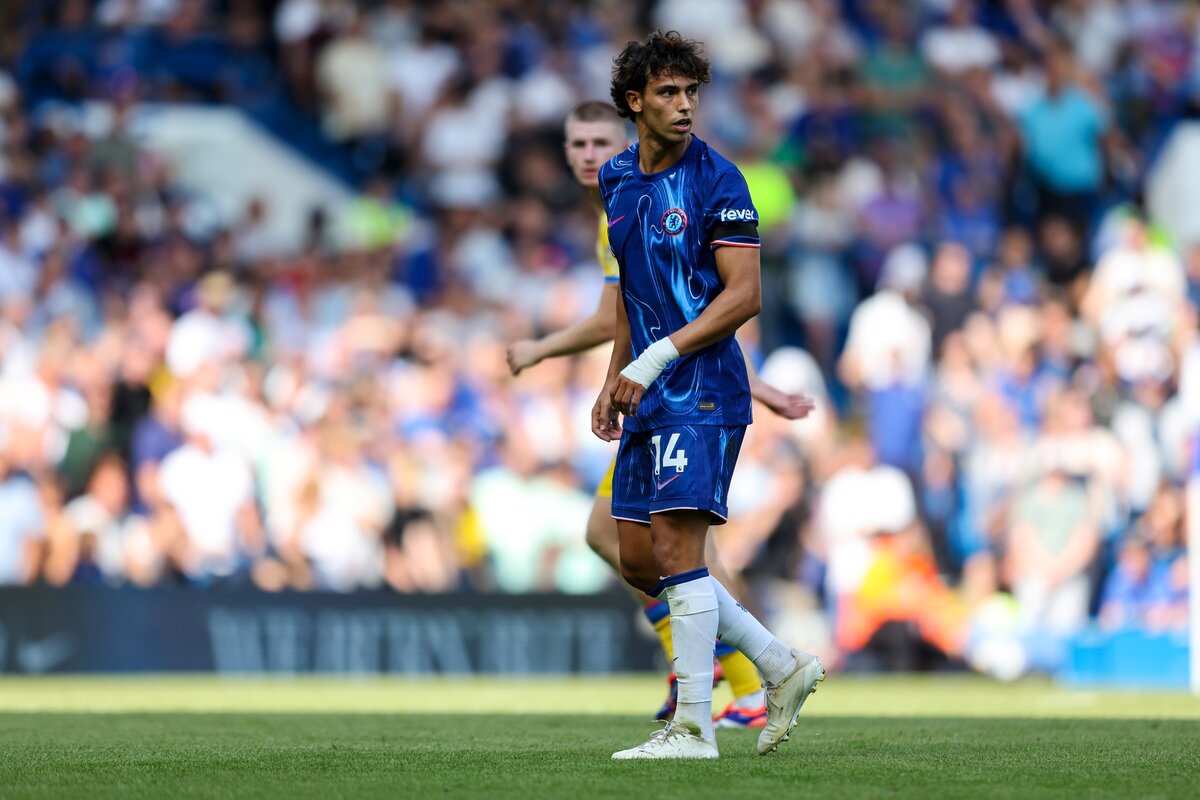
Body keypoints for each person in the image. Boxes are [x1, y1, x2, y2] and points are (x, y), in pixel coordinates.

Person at [507, 101, 813, 728]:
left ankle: (745, 683)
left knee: (679, 547)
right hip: (652, 396)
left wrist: (539, 348)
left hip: (684, 397)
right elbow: (641, 316)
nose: (588, 155)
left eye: (599, 141)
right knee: (627, 542)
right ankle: (742, 668)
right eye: (577, 144)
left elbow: (699, 309)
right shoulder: (618, 207)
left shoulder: (667, 193)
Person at [592, 31, 824, 760]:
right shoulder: (616, 179)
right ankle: (781, 665)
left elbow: (744, 295)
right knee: (636, 556)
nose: (685, 105)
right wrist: (613, 375)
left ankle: (694, 725)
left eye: (692, 92)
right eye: (668, 92)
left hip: (702, 389)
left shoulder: (721, 182)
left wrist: (654, 359)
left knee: (675, 545)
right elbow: (632, 292)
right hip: (648, 390)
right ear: (634, 102)